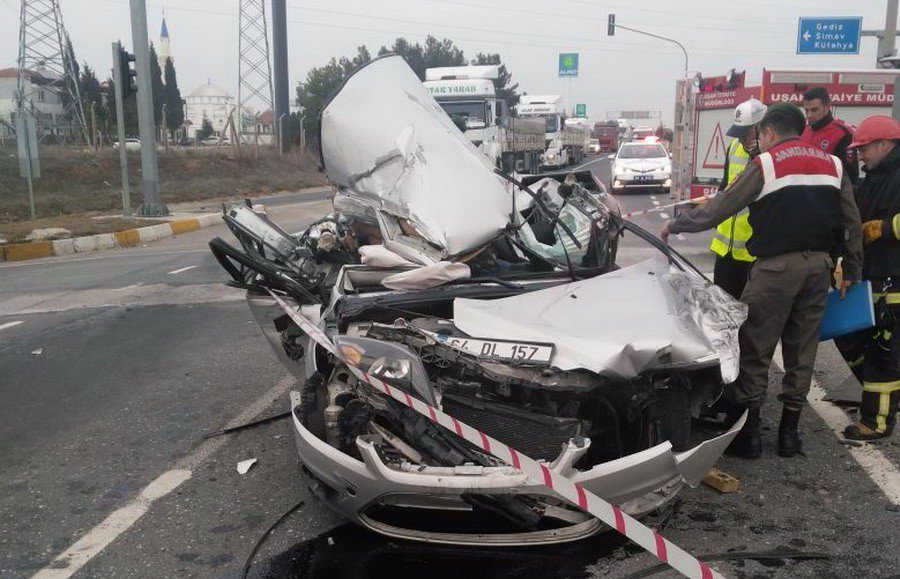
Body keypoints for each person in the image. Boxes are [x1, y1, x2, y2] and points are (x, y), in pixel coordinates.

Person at [660, 102, 864, 459]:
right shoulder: (832, 164)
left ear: (769, 130)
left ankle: (748, 436)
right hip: (818, 268)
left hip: (774, 270)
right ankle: (789, 436)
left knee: (755, 348)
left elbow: (720, 207)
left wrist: (677, 223)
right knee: (803, 351)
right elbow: (852, 222)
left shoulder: (767, 163)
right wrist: (853, 268)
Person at [834, 115, 900, 440]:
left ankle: (877, 423)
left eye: (865, 149)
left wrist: (886, 228)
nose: (860, 156)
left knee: (883, 355)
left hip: (894, 282)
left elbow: (881, 226)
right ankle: (881, 406)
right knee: (860, 343)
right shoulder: (873, 179)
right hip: (875, 278)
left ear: (885, 145)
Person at [710, 98, 767, 299]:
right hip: (726, 251)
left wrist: (758, 156)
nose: (741, 138)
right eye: (738, 133)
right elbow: (724, 190)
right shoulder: (734, 147)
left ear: (760, 128)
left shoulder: (771, 155)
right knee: (722, 308)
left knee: (750, 314)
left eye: (745, 133)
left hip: (752, 254)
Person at [801, 87, 859, 185]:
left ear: (827, 107)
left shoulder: (842, 134)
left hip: (828, 193)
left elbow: (851, 176)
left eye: (814, 110)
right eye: (806, 110)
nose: (809, 115)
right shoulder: (802, 130)